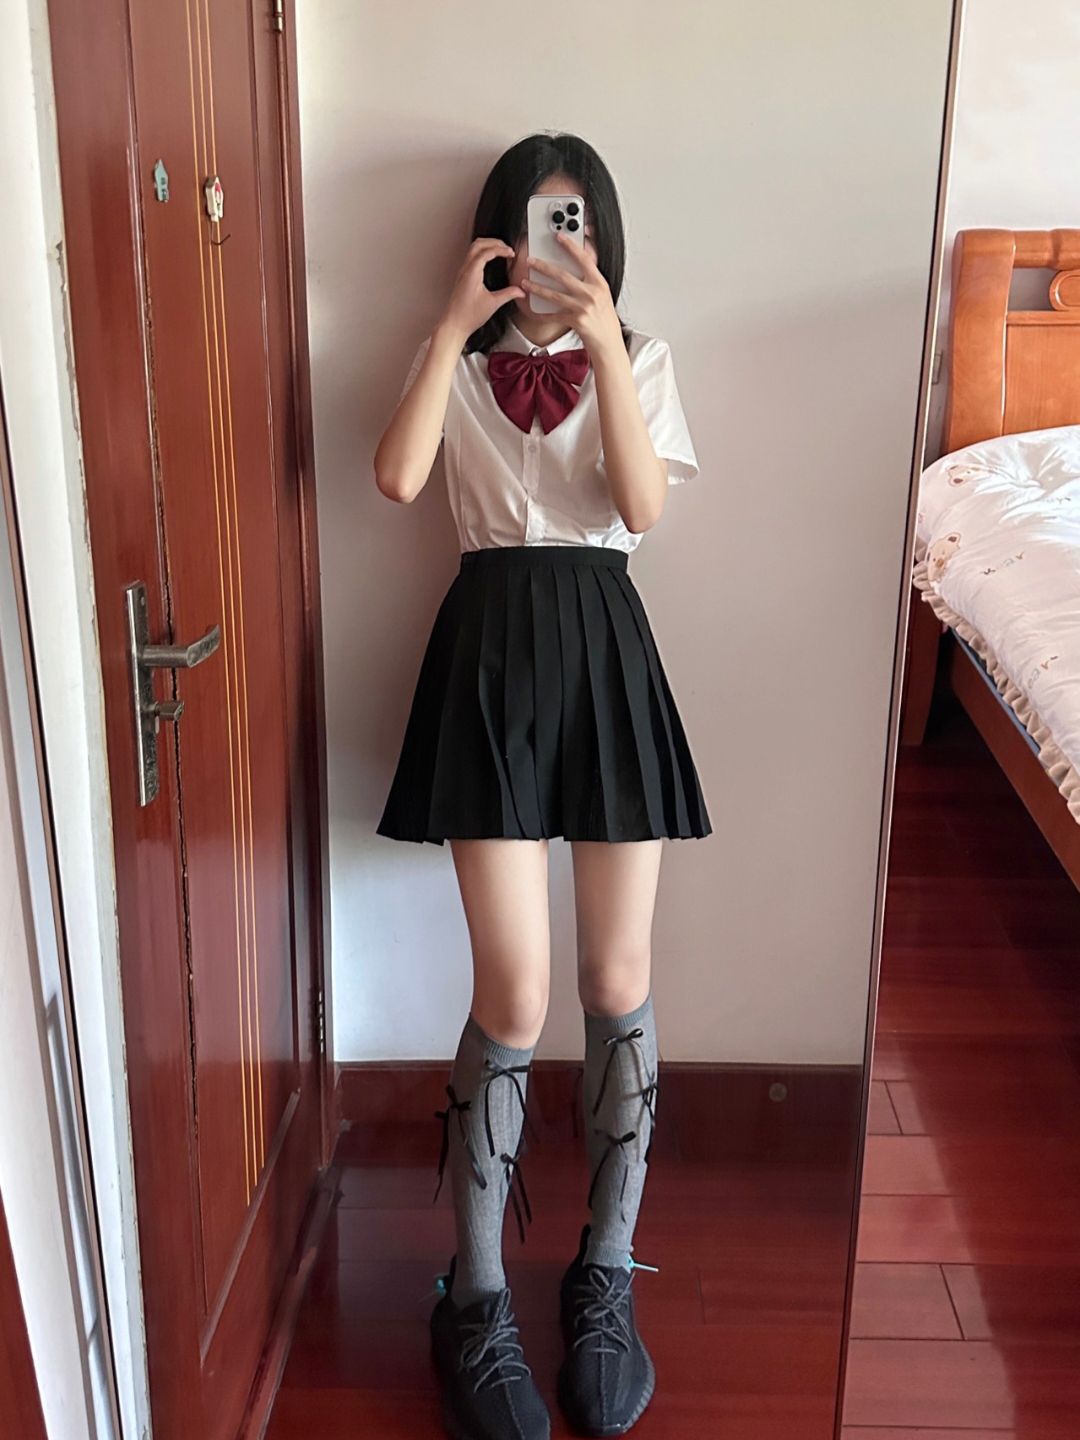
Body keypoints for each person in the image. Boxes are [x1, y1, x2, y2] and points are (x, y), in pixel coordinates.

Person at [372, 130, 711, 1440]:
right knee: (512, 992)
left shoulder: (646, 361)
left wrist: (606, 344)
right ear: (496, 237)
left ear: (603, 239)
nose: (556, 246)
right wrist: (452, 325)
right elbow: (398, 477)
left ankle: (605, 1271)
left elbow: (641, 503)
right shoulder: (455, 369)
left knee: (617, 981)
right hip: (489, 660)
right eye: (534, 222)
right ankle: (473, 1293)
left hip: (607, 655)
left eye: (577, 223)